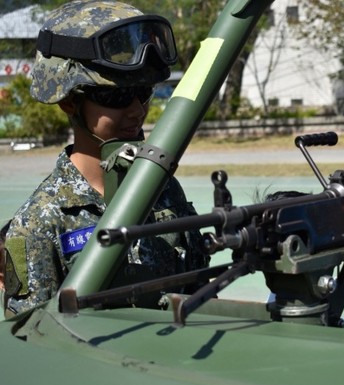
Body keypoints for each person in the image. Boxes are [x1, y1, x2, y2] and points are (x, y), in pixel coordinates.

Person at [2, 0, 207, 317]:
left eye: (144, 92)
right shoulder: (32, 227)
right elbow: (30, 338)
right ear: (69, 102)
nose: (138, 110)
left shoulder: (162, 189)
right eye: (117, 96)